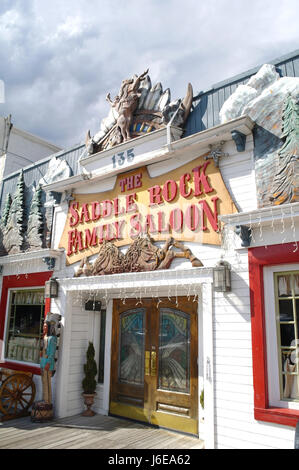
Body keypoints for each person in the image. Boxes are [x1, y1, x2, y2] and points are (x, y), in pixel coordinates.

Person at [40, 316, 57, 404]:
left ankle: (47, 401)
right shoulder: (44, 337)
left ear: (50, 327)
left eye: (46, 326)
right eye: (43, 326)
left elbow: (52, 352)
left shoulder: (52, 338)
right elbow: (43, 350)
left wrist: (48, 363)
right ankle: (44, 399)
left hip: (47, 362)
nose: (44, 328)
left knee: (47, 383)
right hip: (43, 362)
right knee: (43, 382)